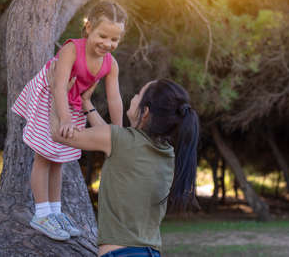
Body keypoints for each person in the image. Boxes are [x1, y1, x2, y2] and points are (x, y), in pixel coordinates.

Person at [48, 70, 200, 256]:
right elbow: (110, 137)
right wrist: (86, 104)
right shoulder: (166, 153)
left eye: (139, 94)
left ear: (145, 112)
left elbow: (57, 134)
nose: (134, 97)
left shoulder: (121, 141)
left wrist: (57, 91)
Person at [11, 0, 128, 241]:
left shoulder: (110, 64)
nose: (107, 44)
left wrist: (119, 132)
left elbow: (114, 99)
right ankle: (41, 214)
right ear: (88, 28)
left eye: (114, 40)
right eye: (102, 35)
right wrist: (63, 118)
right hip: (52, 97)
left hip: (72, 103)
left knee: (59, 159)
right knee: (44, 155)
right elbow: (58, 85)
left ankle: (55, 211)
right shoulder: (72, 49)